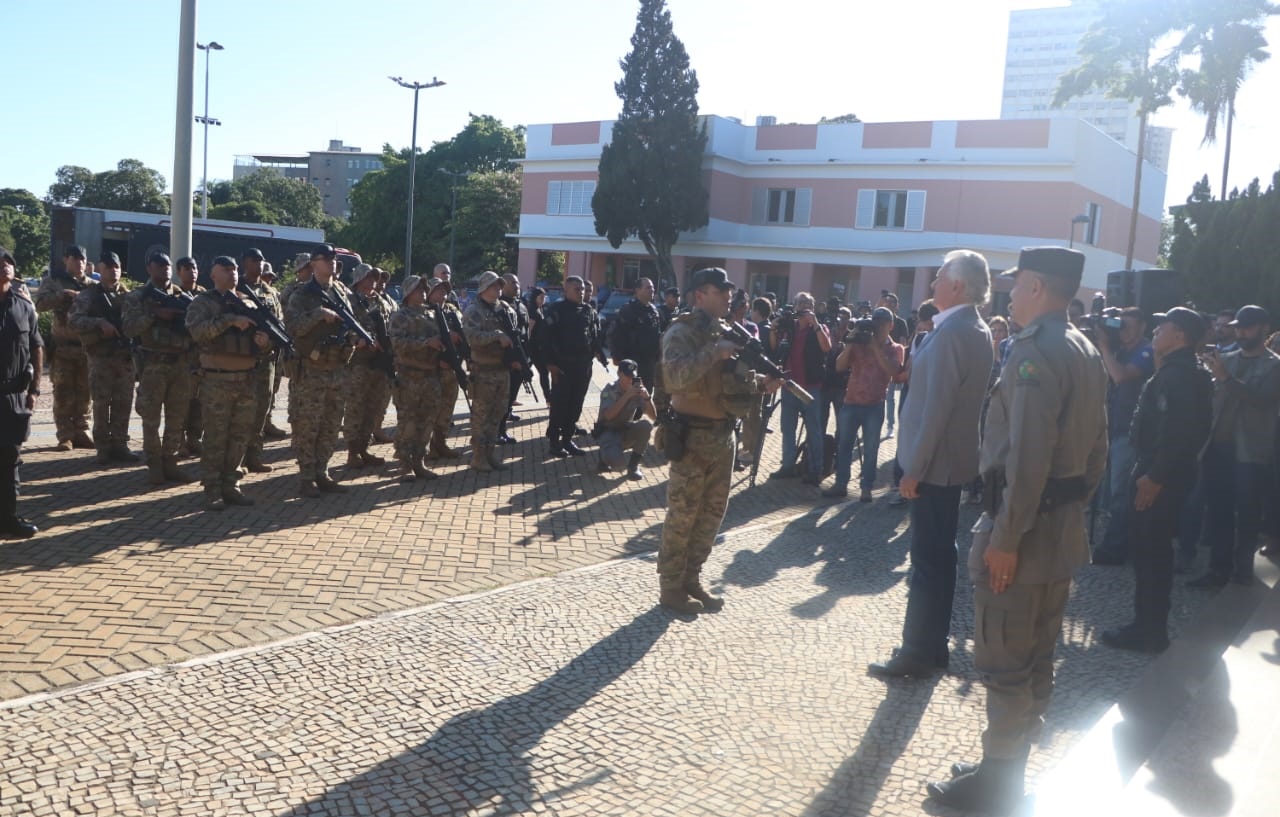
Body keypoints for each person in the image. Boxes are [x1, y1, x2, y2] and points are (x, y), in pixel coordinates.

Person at [926, 246, 1107, 814]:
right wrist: (1068, 508)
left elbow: (1028, 457)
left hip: (1022, 534)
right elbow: (1099, 448)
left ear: (1035, 286)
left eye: (1016, 283)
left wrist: (1005, 537)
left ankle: (997, 786)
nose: (1008, 292)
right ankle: (1007, 764)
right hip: (1060, 529)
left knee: (1005, 661)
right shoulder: (1082, 347)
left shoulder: (1034, 352)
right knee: (1036, 657)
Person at [868, 250, 994, 679]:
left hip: (934, 466)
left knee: (927, 562)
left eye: (939, 277)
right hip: (948, 463)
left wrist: (913, 469)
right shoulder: (968, 327)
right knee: (940, 557)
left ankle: (917, 651)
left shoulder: (955, 330)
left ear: (957, 285)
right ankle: (932, 646)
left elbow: (937, 408)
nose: (932, 284)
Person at [657, 267, 780, 613]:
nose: (728, 296)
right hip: (692, 436)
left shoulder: (727, 332)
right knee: (682, 514)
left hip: (722, 436)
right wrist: (715, 352)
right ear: (699, 295)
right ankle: (670, 587)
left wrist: (760, 386)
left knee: (711, 515)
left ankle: (691, 577)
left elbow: (731, 381)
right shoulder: (681, 331)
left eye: (728, 290)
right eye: (719, 290)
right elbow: (673, 377)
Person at [1101, 308, 1213, 652]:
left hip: (1159, 474)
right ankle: (1147, 626)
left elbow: (1178, 434)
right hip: (1162, 471)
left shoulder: (1178, 375)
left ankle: (1148, 632)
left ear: (1179, 335)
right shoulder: (1183, 370)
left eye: (1162, 326)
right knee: (1151, 550)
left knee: (1151, 551)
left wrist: (1154, 477)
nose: (1156, 331)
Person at [1190, 305, 1280, 587]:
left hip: (1251, 451)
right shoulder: (1225, 359)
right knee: (1219, 512)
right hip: (1217, 447)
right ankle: (1218, 570)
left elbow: (1264, 400)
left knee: (1248, 513)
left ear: (1264, 328)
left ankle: (1242, 571)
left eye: (1248, 327)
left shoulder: (1275, 365)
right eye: (1238, 327)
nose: (1241, 332)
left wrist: (1226, 378)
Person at [184, 256, 270, 511]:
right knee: (216, 436)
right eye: (226, 269)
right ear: (213, 274)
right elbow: (196, 331)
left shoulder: (248, 301)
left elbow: (263, 347)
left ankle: (231, 484)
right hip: (217, 380)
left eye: (234, 269)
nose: (233, 273)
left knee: (239, 436)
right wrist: (229, 321)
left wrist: (265, 343)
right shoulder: (204, 302)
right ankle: (212, 488)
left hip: (246, 379)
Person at [284, 244, 362, 497]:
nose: (331, 263)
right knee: (308, 425)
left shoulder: (340, 291)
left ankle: (322, 471)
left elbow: (351, 321)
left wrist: (354, 338)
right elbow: (293, 328)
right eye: (326, 259)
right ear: (313, 265)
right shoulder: (302, 295)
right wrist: (318, 314)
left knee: (331, 424)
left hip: (337, 368)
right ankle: (306, 476)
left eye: (333, 259)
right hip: (312, 370)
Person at [121, 252, 194, 485]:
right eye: (160, 265)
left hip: (180, 364)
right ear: (149, 268)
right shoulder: (138, 297)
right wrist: (154, 314)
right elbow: (130, 328)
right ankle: (154, 465)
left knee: (177, 418)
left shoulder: (184, 296)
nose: (165, 269)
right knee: (150, 419)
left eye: (168, 265)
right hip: (153, 364)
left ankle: (170, 463)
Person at [1091, 307, 1155, 566]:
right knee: (1108, 492)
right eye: (1121, 326)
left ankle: (1116, 548)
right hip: (1111, 427)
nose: (1124, 331)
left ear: (1142, 326)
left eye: (1129, 326)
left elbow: (1120, 376)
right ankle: (1117, 540)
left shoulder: (1146, 350)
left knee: (1120, 492)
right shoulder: (1121, 350)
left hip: (1130, 431)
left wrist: (1105, 347)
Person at [825, 307, 904, 501]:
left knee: (871, 449)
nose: (877, 325)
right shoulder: (859, 343)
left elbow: (893, 371)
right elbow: (839, 366)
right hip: (851, 402)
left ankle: (866, 487)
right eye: (875, 320)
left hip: (874, 405)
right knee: (843, 445)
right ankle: (840, 484)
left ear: (891, 325)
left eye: (882, 322)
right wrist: (851, 342)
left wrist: (875, 347)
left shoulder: (895, 349)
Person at [68, 252, 138, 465]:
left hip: (124, 359)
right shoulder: (89, 295)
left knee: (123, 403)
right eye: (108, 266)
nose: (113, 270)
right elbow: (74, 321)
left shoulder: (129, 295)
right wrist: (99, 323)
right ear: (100, 268)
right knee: (101, 403)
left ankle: (120, 444)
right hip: (100, 358)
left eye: (116, 266)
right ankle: (103, 448)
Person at [0, 246, 43, 538]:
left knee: (10, 459)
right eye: (0, 262)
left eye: (9, 262)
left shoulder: (23, 305)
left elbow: (37, 346)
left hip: (14, 395)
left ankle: (8, 518)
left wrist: (35, 388)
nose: (5, 266)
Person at [34, 244, 94, 451]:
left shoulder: (92, 286)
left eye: (82, 259)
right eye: (75, 258)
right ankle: (65, 435)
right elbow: (39, 304)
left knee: (85, 394)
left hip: (86, 348)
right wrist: (61, 295)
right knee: (63, 393)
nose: (79, 262)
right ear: (65, 260)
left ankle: (82, 431)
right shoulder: (54, 281)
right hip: (63, 348)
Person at [769, 292, 831, 485]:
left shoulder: (819, 328)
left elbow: (827, 348)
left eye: (808, 303)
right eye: (801, 303)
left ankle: (816, 469)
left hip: (810, 386)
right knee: (787, 428)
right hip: (789, 385)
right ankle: (788, 465)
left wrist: (816, 325)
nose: (804, 306)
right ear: (794, 306)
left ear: (813, 307)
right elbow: (774, 347)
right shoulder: (789, 328)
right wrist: (773, 329)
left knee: (814, 429)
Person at [388, 275, 443, 482]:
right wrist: (426, 343)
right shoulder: (400, 316)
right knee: (408, 422)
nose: (422, 293)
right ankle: (405, 463)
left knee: (427, 421)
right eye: (418, 289)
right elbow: (397, 343)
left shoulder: (432, 314)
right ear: (408, 293)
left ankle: (419, 460)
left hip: (431, 376)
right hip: (409, 377)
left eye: (423, 289)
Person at [462, 271, 518, 472]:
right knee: (481, 415)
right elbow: (471, 337)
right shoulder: (473, 311)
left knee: (498, 413)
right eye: (494, 285)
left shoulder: (505, 309)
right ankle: (478, 456)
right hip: (483, 371)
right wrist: (495, 336)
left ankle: (489, 453)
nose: (499, 288)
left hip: (502, 370)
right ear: (484, 288)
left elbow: (514, 335)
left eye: (500, 285)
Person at [542, 276, 601, 457]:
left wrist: (596, 352)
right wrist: (550, 364)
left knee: (576, 405)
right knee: (559, 405)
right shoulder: (556, 310)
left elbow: (595, 336)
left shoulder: (588, 311)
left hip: (582, 367)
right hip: (562, 367)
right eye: (577, 289)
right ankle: (554, 442)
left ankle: (567, 439)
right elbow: (544, 340)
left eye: (582, 288)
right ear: (565, 290)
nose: (581, 292)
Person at [238, 248, 286, 474]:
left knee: (261, 411)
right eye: (253, 260)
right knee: (240, 413)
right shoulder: (236, 289)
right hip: (242, 360)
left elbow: (279, 322)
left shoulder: (270, 292)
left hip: (266, 360)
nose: (258, 264)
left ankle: (254, 457)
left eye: (260, 260)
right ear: (244, 263)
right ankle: (235, 461)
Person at [889, 300, 940, 507]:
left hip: (930, 397)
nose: (925, 327)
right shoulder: (919, 339)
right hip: (913, 394)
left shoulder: (944, 339)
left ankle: (918, 484)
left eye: (926, 323)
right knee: (906, 439)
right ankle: (901, 486)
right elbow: (909, 370)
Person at [343, 263, 393, 468]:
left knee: (373, 408)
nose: (373, 281)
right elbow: (343, 327)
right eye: (369, 277)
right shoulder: (349, 301)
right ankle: (353, 452)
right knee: (356, 408)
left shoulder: (382, 302)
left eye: (375, 278)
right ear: (359, 280)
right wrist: (358, 340)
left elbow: (392, 326)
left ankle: (364, 448)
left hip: (380, 364)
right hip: (358, 363)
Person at [595, 359, 655, 480]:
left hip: (625, 430)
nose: (630, 379)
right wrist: (627, 395)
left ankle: (633, 467)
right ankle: (603, 456)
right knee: (619, 465)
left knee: (645, 426)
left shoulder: (636, 390)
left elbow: (654, 417)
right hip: (608, 432)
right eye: (627, 376)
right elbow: (609, 415)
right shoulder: (610, 390)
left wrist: (647, 398)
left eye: (633, 376)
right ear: (619, 374)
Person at [427, 277, 465, 460]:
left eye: (445, 291)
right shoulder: (424, 312)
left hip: (452, 367)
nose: (443, 294)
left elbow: (464, 334)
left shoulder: (452, 311)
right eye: (438, 291)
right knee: (430, 411)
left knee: (447, 409)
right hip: (432, 369)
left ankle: (440, 443)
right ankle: (426, 448)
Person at [174, 257, 206, 456]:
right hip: (182, 357)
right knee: (181, 403)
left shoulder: (205, 295)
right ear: (179, 272)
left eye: (194, 267)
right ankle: (179, 442)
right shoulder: (175, 294)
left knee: (199, 403)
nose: (191, 271)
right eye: (186, 268)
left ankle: (195, 439)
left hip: (201, 358)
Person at [609, 277, 663, 391]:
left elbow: (657, 334)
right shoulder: (629, 309)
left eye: (653, 288)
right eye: (648, 287)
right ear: (638, 290)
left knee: (646, 394)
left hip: (649, 362)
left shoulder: (653, 310)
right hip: (633, 361)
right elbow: (616, 334)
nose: (652, 290)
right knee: (632, 396)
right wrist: (616, 356)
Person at [498, 273, 531, 444]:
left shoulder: (521, 305)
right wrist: (512, 360)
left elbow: (525, 331)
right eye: (513, 283)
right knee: (502, 398)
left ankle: (503, 427)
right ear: (503, 286)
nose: (517, 286)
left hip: (522, 357)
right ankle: (498, 431)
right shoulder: (499, 307)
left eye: (518, 283)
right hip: (508, 361)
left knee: (511, 397)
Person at [877, 291, 910, 438]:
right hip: (876, 361)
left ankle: (890, 426)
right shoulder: (877, 319)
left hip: (891, 362)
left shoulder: (901, 322)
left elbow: (903, 343)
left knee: (889, 397)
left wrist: (898, 360)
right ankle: (875, 425)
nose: (889, 304)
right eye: (887, 301)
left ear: (897, 306)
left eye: (893, 302)